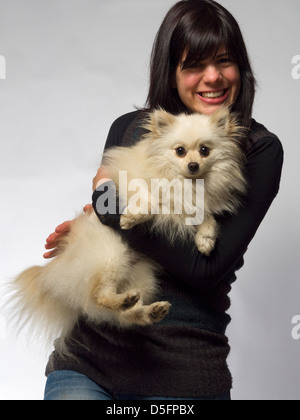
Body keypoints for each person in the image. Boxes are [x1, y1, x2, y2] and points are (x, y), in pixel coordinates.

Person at [43, 0, 284, 400]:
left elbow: (203, 267)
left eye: (224, 61)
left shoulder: (259, 150)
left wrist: (111, 212)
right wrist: (90, 228)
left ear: (240, 67)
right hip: (88, 360)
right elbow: (104, 212)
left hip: (184, 365)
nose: (212, 77)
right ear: (171, 75)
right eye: (194, 65)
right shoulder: (131, 127)